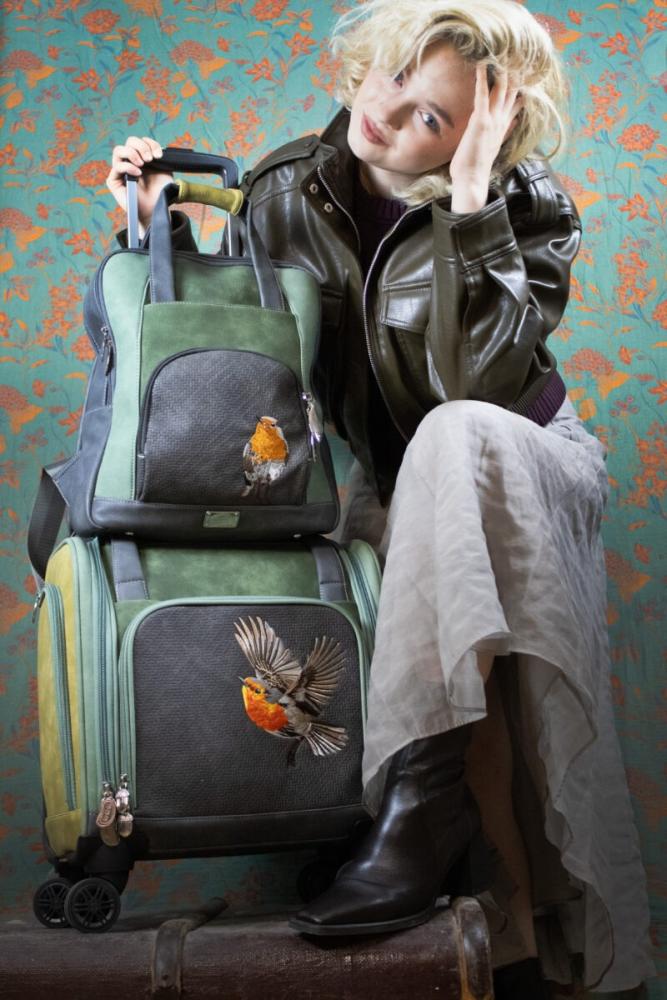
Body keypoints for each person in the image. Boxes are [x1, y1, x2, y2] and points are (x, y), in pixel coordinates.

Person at [105, 0, 654, 994]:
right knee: (414, 578)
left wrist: (474, 201)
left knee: (449, 441)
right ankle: (502, 932)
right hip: (398, 485)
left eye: (431, 116)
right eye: (394, 75)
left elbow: (473, 389)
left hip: (520, 454)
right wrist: (155, 232)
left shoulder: (530, 208)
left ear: (479, 134)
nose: (388, 113)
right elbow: (236, 364)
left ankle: (419, 806)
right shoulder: (282, 190)